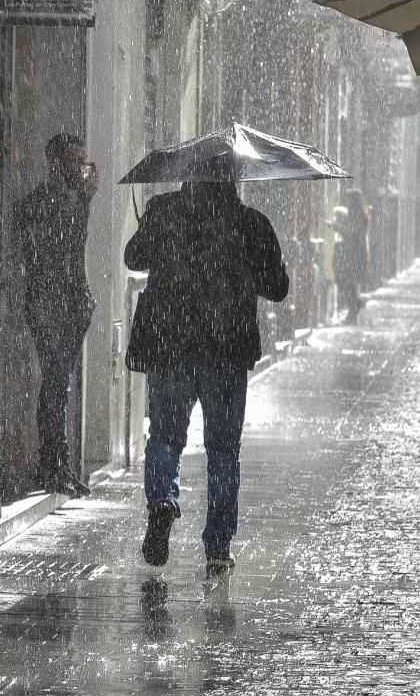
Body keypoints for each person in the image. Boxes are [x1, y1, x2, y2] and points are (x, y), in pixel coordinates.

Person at [124, 179, 289, 576]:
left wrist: (154, 224)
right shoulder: (250, 222)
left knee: (165, 435)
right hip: (226, 351)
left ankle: (163, 498)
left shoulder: (165, 211)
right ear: (233, 178)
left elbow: (134, 257)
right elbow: (278, 289)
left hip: (171, 344)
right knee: (223, 448)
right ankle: (217, 545)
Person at [16, 133, 97, 498]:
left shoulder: (72, 200)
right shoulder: (44, 203)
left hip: (68, 305)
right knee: (56, 386)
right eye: (74, 162)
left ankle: (55, 465)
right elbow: (49, 252)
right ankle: (54, 466)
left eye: (83, 162)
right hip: (52, 306)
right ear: (57, 163)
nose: (80, 169)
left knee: (57, 386)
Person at [332, 187, 370, 324]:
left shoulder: (358, 214)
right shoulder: (355, 214)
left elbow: (352, 232)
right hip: (352, 251)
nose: (346, 202)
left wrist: (336, 227)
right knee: (347, 282)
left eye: (348, 199)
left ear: (353, 201)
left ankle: (353, 311)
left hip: (355, 252)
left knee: (348, 282)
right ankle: (355, 307)